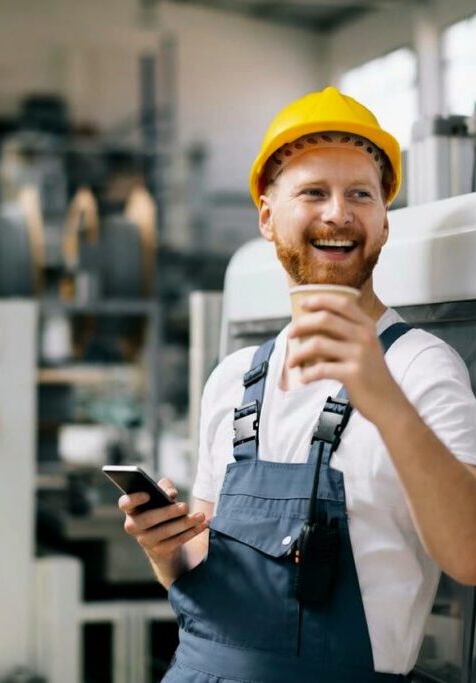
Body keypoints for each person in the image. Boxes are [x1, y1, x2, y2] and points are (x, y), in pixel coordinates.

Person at [118, 86, 476, 682]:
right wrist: (165, 549)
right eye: (314, 192)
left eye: (361, 194)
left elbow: (469, 555)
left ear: (384, 221)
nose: (339, 213)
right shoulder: (233, 379)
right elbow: (204, 568)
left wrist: (382, 398)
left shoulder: (420, 367)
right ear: (266, 215)